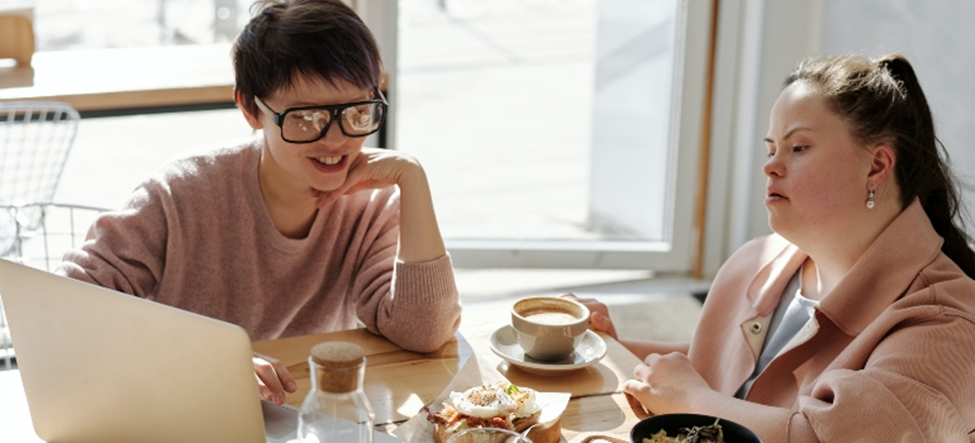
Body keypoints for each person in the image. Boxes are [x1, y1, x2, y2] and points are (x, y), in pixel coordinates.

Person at [56, 0, 461, 406]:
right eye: (307, 117)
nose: (336, 139)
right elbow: (65, 307)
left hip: (305, 414)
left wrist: (412, 178)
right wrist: (211, 360)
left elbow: (423, 332)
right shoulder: (179, 194)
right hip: (184, 408)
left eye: (357, 111)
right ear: (251, 108)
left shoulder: (371, 203)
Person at [567, 53, 975, 442]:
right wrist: (610, 346)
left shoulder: (945, 327)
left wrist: (693, 401)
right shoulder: (756, 262)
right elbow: (722, 371)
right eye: (770, 148)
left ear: (877, 166)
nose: (770, 165)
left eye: (798, 148)